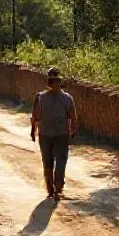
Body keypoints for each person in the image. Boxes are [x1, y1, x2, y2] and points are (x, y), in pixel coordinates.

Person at [30, 67, 77, 201]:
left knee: (50, 161)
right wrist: (33, 130)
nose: (55, 83)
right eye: (54, 81)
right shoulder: (66, 98)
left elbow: (35, 116)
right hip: (54, 134)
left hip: (53, 134)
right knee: (55, 161)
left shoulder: (41, 97)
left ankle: (53, 189)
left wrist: (33, 131)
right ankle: (54, 189)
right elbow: (35, 116)